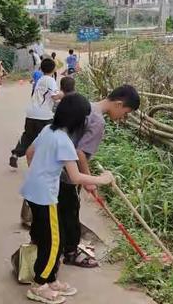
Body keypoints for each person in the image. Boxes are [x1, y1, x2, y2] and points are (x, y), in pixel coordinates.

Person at [21, 93, 114, 304]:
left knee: (50, 237)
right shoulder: (64, 141)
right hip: (46, 196)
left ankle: (51, 279)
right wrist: (103, 179)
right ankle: (39, 285)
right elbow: (75, 177)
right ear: (78, 120)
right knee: (53, 242)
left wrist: (38, 173)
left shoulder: (47, 130)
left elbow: (29, 153)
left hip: (33, 191)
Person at [58, 85, 140, 269]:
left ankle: (61, 245)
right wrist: (88, 180)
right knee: (70, 210)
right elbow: (80, 153)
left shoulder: (87, 106)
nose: (123, 118)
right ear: (118, 104)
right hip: (67, 174)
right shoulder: (98, 121)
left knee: (62, 209)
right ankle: (71, 252)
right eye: (125, 112)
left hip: (57, 167)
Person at [9, 58, 62, 169]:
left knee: (28, 136)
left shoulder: (41, 80)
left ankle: (16, 153)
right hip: (43, 115)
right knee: (47, 137)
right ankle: (44, 163)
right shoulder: (50, 80)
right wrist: (65, 94)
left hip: (31, 113)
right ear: (53, 69)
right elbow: (55, 96)